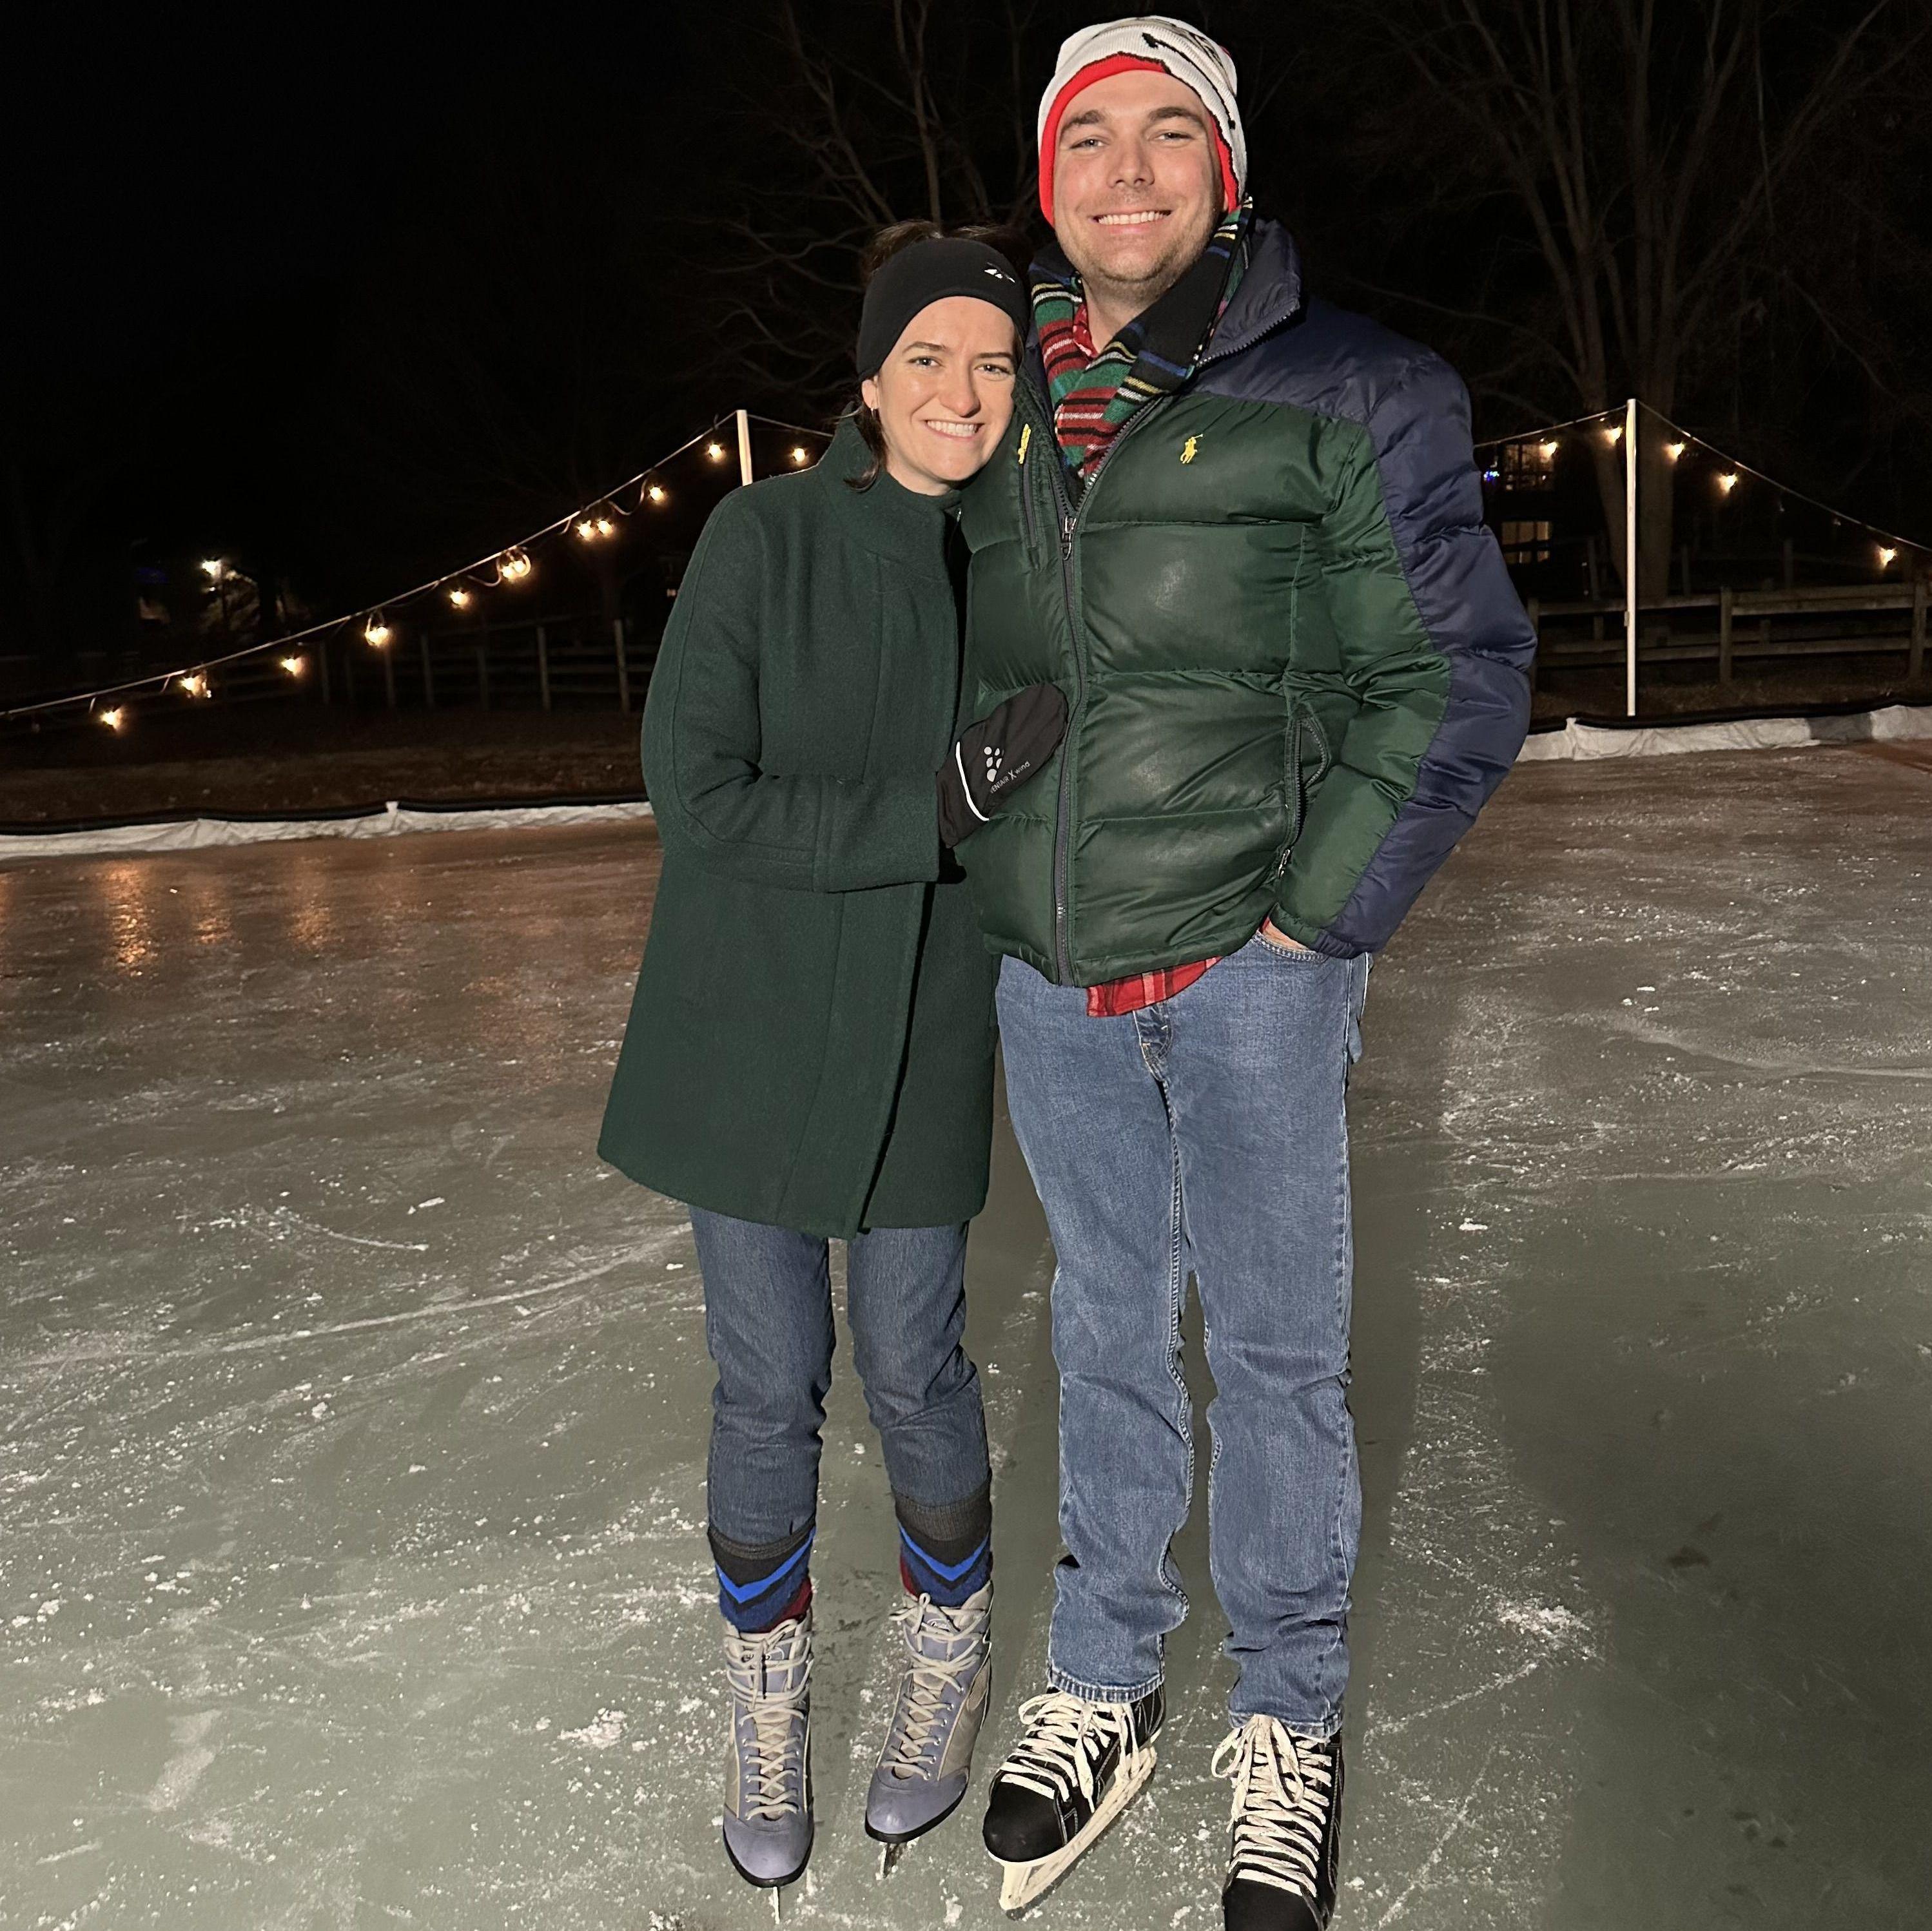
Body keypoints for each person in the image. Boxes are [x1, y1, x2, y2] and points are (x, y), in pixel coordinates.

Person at [949, 19, 1537, 1927]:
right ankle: (1109, 1669)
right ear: (1048, 186)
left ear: (1228, 170)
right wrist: (964, 794)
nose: (1125, 173)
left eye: (1164, 137)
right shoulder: (989, 399)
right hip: (1052, 964)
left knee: (1277, 1355)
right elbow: (933, 628)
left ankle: (1289, 1713)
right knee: (1109, 1321)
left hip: (1253, 966)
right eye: (1087, 142)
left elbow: (1450, 675)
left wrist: (1308, 925)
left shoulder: (1360, 388)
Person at [596, 226, 1068, 1905]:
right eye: (927, 357)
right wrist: (931, 807)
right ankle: (769, 1701)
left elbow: (1058, 817)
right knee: (766, 1377)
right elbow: (697, 787)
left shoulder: (1027, 570)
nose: (961, 389)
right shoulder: (763, 535)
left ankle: (945, 1659)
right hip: (751, 1036)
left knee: (922, 1364)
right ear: (870, 381)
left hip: (927, 1032)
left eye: (993, 362)